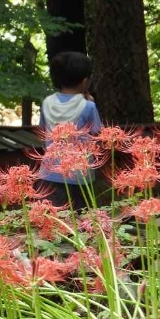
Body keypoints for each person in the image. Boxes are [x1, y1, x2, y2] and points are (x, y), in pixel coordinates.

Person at [38, 51, 102, 209]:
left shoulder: (47, 103)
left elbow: (42, 131)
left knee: (54, 219)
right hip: (80, 174)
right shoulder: (88, 106)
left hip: (49, 171)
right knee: (83, 221)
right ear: (85, 81)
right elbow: (97, 134)